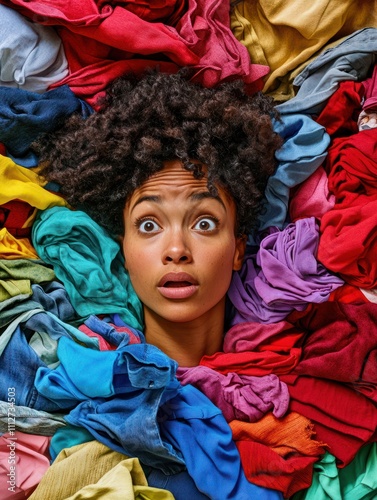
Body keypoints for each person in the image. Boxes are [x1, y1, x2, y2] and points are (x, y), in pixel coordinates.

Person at [32, 69, 283, 498]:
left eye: (204, 222)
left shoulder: (286, 397)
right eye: (149, 225)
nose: (176, 249)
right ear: (123, 251)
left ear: (239, 248)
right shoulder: (73, 382)